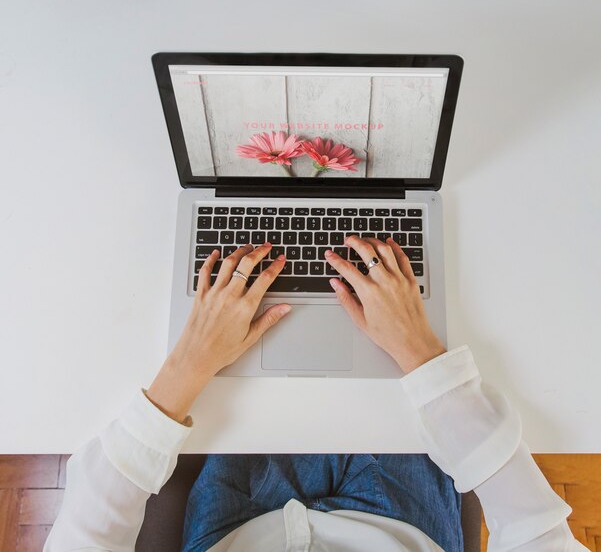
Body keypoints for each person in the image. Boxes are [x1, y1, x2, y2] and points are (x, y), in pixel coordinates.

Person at [44, 236, 586, 552]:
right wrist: (420, 351)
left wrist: (190, 361)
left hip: (236, 522)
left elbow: (84, 535)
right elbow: (537, 530)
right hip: (402, 520)